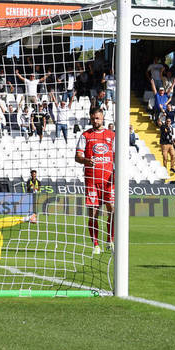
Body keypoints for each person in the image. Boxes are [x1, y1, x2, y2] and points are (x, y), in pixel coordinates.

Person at [75, 108, 115, 255]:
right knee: (93, 214)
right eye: (93, 119)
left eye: (97, 118)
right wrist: (86, 160)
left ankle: (110, 240)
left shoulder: (112, 135)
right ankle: (96, 245)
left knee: (112, 210)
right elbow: (77, 157)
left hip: (108, 181)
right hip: (92, 181)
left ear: (103, 118)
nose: (95, 121)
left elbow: (118, 156)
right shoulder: (86, 136)